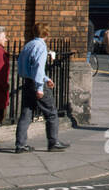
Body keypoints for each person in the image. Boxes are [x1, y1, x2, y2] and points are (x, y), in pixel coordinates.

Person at [15, 23, 69, 153]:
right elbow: (38, 68)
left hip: (27, 82)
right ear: (46, 33)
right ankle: (53, 142)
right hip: (36, 84)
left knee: (26, 114)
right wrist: (40, 87)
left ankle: (20, 145)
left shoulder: (28, 45)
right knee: (51, 113)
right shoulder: (41, 46)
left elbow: (26, 67)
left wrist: (47, 79)